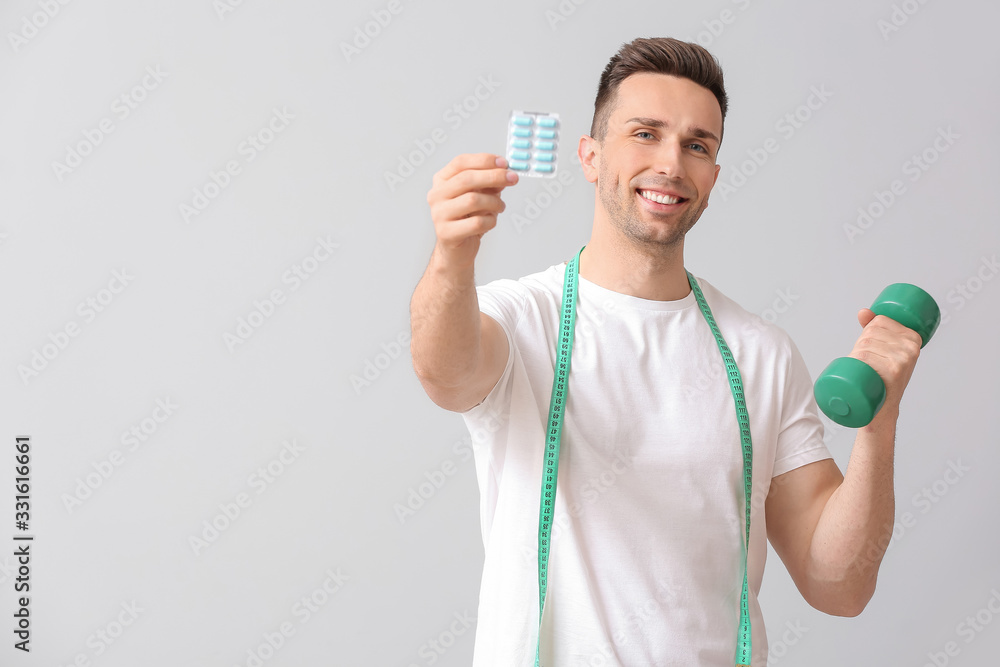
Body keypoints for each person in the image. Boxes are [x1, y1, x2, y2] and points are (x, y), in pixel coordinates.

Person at [408, 37, 922, 666]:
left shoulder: (760, 355)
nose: (672, 164)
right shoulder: (522, 318)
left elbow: (838, 585)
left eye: (697, 145)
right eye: (645, 134)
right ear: (590, 156)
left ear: (713, 175)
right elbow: (447, 374)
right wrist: (451, 257)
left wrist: (881, 421)